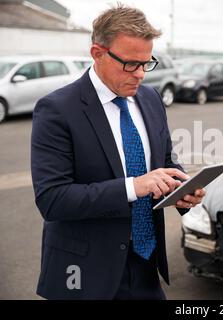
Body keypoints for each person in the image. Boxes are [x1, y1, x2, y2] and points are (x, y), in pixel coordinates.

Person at [30, 4, 205, 300]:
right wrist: (133, 187)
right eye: (130, 64)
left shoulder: (150, 99)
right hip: (85, 273)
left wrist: (182, 192)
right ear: (97, 53)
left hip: (147, 267)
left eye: (146, 64)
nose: (140, 75)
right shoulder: (57, 110)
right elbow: (52, 200)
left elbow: (163, 164)